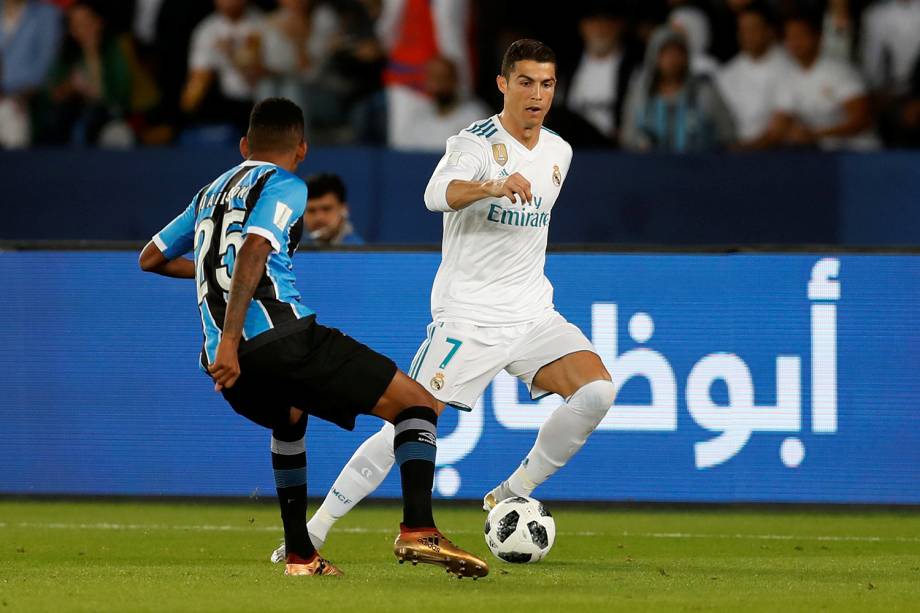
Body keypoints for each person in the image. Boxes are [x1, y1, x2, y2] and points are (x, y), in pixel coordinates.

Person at [272, 39, 617, 562]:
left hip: (532, 313)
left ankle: (511, 492)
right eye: (525, 82)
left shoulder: (559, 152)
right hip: (469, 317)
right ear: (503, 84)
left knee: (595, 394)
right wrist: (492, 186)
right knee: (408, 420)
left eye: (546, 84)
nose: (537, 94)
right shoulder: (474, 143)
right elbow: (438, 194)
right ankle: (313, 533)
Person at [139, 97, 487, 579]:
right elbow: (256, 248)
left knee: (290, 419)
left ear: (243, 146)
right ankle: (418, 529)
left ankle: (301, 555)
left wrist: (218, 312)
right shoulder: (284, 184)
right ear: (301, 150)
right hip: (278, 339)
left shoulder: (207, 194)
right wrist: (232, 336)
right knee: (417, 404)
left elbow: (150, 258)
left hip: (227, 362)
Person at [762, 13, 876, 150]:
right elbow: (780, 125)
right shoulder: (787, 77)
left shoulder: (839, 71)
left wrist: (816, 135)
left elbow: (861, 120)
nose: (795, 42)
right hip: (823, 156)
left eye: (800, 35)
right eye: (790, 37)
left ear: (817, 37)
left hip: (860, 152)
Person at [621, 27, 735, 152]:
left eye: (678, 53)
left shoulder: (705, 92)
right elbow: (627, 138)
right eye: (666, 53)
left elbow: (728, 135)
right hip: (651, 168)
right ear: (654, 57)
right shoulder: (640, 94)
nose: (672, 59)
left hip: (699, 168)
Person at [716, 2, 792, 147]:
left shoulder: (787, 66)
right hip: (733, 152)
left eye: (753, 29)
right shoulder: (728, 72)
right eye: (743, 30)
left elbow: (782, 123)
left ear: (769, 31)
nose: (747, 36)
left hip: (776, 153)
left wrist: (747, 149)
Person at [181, 0, 263, 131]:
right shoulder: (207, 30)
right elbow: (199, 76)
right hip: (227, 101)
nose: (228, 2)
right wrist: (184, 112)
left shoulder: (262, 24)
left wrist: (231, 54)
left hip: (259, 100)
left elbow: (255, 75)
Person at [562, 4, 638, 143]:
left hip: (613, 152)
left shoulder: (633, 70)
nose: (600, 28)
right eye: (594, 22)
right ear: (583, 26)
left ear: (619, 26)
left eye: (607, 22)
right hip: (574, 151)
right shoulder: (568, 70)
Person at [388, 56, 490, 151]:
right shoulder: (418, 116)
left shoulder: (475, 116)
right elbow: (402, 153)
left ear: (455, 80)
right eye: (433, 78)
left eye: (442, 77)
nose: (437, 84)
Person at [0, 0, 62, 148]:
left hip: (27, 97)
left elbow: (46, 63)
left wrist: (23, 94)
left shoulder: (47, 14)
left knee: (10, 114)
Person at [301, 172, 365, 246]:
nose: (319, 218)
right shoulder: (290, 251)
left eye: (326, 209)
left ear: (344, 210)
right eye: (311, 210)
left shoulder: (360, 254)